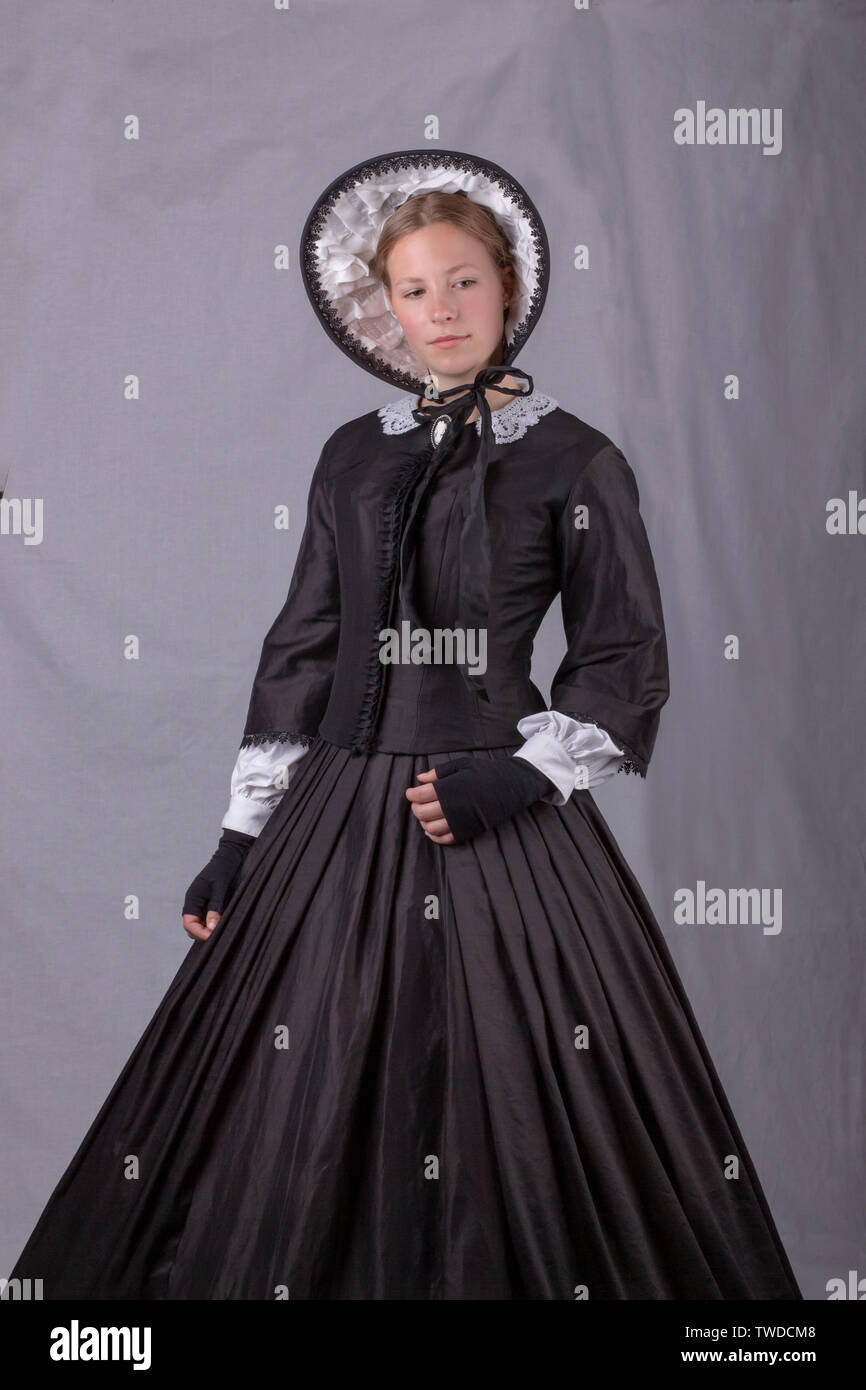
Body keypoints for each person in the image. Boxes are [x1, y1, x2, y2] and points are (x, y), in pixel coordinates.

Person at [8, 149, 803, 1300]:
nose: (441, 310)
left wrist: (523, 779)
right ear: (382, 307)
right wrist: (240, 836)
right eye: (416, 289)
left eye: (464, 282)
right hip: (335, 817)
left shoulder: (575, 460)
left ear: (510, 291)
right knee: (305, 1079)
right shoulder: (351, 453)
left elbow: (625, 653)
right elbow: (304, 643)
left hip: (496, 817)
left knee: (521, 1087)